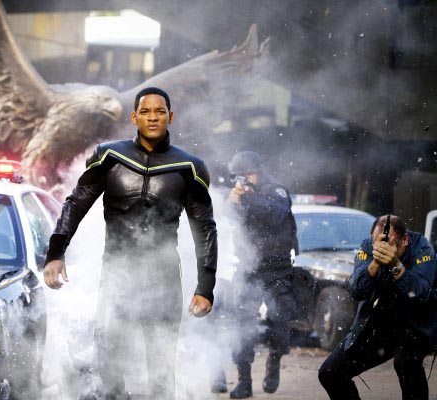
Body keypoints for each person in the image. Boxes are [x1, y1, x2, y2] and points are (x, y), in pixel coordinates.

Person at [43, 87, 218, 400]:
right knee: (108, 365)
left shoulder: (190, 167)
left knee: (161, 372)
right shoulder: (109, 156)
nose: (153, 117)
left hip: (164, 279)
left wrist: (205, 287)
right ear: (134, 117)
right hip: (117, 276)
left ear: (170, 117)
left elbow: (204, 227)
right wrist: (56, 252)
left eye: (160, 111)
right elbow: (76, 202)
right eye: (146, 111)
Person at [318, 214, 437, 400]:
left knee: (406, 361)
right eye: (378, 244)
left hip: (417, 322)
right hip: (380, 320)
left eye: (391, 244)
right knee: (330, 372)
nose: (383, 249)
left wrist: (395, 265)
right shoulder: (368, 246)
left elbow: (420, 293)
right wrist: (375, 263)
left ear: (405, 239)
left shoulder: (422, 248)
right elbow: (356, 290)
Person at [216, 150, 298, 399]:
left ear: (258, 172)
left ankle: (274, 360)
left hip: (278, 268)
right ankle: (244, 381)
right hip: (249, 267)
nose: (243, 179)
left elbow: (275, 215)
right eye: (239, 176)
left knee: (279, 321)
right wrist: (232, 201)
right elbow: (225, 220)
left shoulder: (276, 190)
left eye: (247, 174)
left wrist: (250, 196)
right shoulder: (241, 194)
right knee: (243, 325)